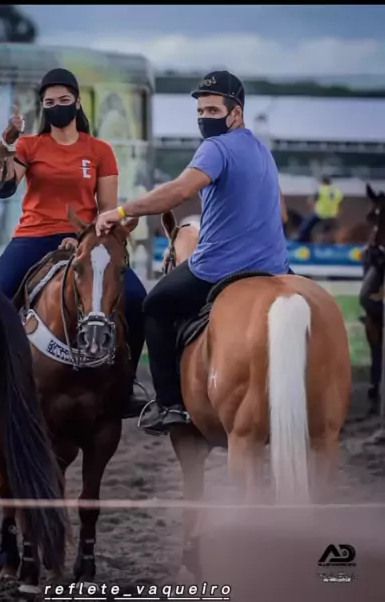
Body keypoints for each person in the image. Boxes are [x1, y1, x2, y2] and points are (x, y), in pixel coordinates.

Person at [95, 70, 290, 435]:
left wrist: (121, 211)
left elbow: (179, 192)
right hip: (276, 268)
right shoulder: (263, 151)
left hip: (220, 267)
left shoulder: (216, 148)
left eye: (212, 110)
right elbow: (281, 214)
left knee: (154, 305)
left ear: (236, 113)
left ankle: (169, 404)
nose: (204, 118)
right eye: (200, 111)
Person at [0, 67, 147, 418]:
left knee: (138, 299)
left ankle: (128, 384)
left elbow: (107, 209)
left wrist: (83, 239)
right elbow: (4, 186)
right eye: (49, 102)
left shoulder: (100, 150)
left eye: (63, 99)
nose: (57, 106)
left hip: (86, 239)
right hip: (33, 236)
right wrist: (7, 145)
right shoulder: (30, 146)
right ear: (43, 108)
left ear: (77, 102)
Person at [296, 176, 344, 242]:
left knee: (306, 224)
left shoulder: (321, 190)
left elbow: (312, 201)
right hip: (333, 215)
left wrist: (313, 208)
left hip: (321, 214)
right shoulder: (337, 191)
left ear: (323, 182)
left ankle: (303, 240)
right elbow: (340, 204)